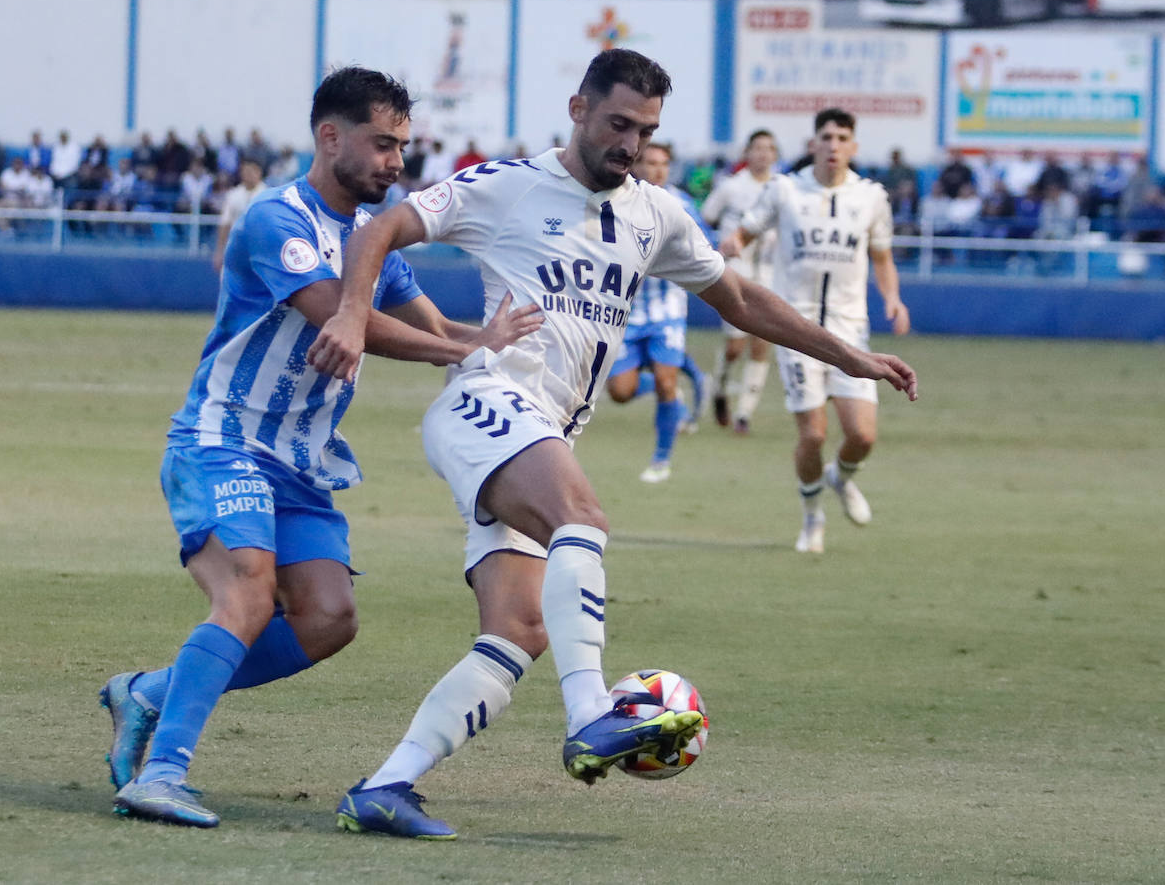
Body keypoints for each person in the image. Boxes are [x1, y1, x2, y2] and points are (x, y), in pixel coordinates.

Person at [309, 49, 917, 839]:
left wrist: (851, 355)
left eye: (647, 130)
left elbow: (739, 297)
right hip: (487, 404)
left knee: (519, 632)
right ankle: (592, 709)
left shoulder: (655, 213)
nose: (630, 143)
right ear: (578, 109)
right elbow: (380, 229)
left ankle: (386, 787)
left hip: (541, 431)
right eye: (618, 124)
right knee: (582, 516)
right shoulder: (508, 185)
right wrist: (352, 315)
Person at [98, 65, 543, 830]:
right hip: (225, 440)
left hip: (301, 461)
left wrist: (483, 340)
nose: (395, 162)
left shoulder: (374, 240)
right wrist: (459, 351)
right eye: (380, 143)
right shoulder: (277, 218)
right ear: (329, 136)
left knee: (329, 619)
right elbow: (334, 313)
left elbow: (433, 328)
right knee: (247, 589)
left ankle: (147, 693)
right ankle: (163, 773)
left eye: (402, 145)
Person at [719, 107, 912, 555]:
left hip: (850, 329)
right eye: (825, 136)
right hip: (796, 327)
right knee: (813, 435)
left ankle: (839, 479)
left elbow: (881, 256)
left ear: (854, 147)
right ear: (813, 144)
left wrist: (892, 298)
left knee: (863, 436)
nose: (833, 144)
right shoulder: (785, 190)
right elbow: (745, 232)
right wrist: (730, 247)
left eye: (842, 137)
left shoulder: (871, 197)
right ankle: (812, 517)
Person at [604, 141, 709, 483]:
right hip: (624, 314)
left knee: (666, 383)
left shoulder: (682, 205)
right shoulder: (613, 200)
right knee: (620, 392)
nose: (656, 170)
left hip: (667, 311)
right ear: (636, 165)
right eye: (649, 162)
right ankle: (686, 376)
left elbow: (705, 249)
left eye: (663, 163)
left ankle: (661, 460)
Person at [699, 129, 781, 434]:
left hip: (771, 274)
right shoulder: (731, 187)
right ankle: (719, 388)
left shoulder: (783, 188)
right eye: (757, 147)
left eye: (769, 148)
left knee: (762, 343)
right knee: (734, 346)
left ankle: (744, 414)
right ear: (747, 152)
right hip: (736, 273)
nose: (763, 153)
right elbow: (707, 216)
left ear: (775, 155)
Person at [212, 157, 267, 271]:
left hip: (260, 249)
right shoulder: (233, 195)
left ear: (259, 172)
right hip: (237, 247)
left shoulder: (268, 194)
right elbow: (225, 223)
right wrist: (219, 251)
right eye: (245, 171)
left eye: (251, 171)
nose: (248, 174)